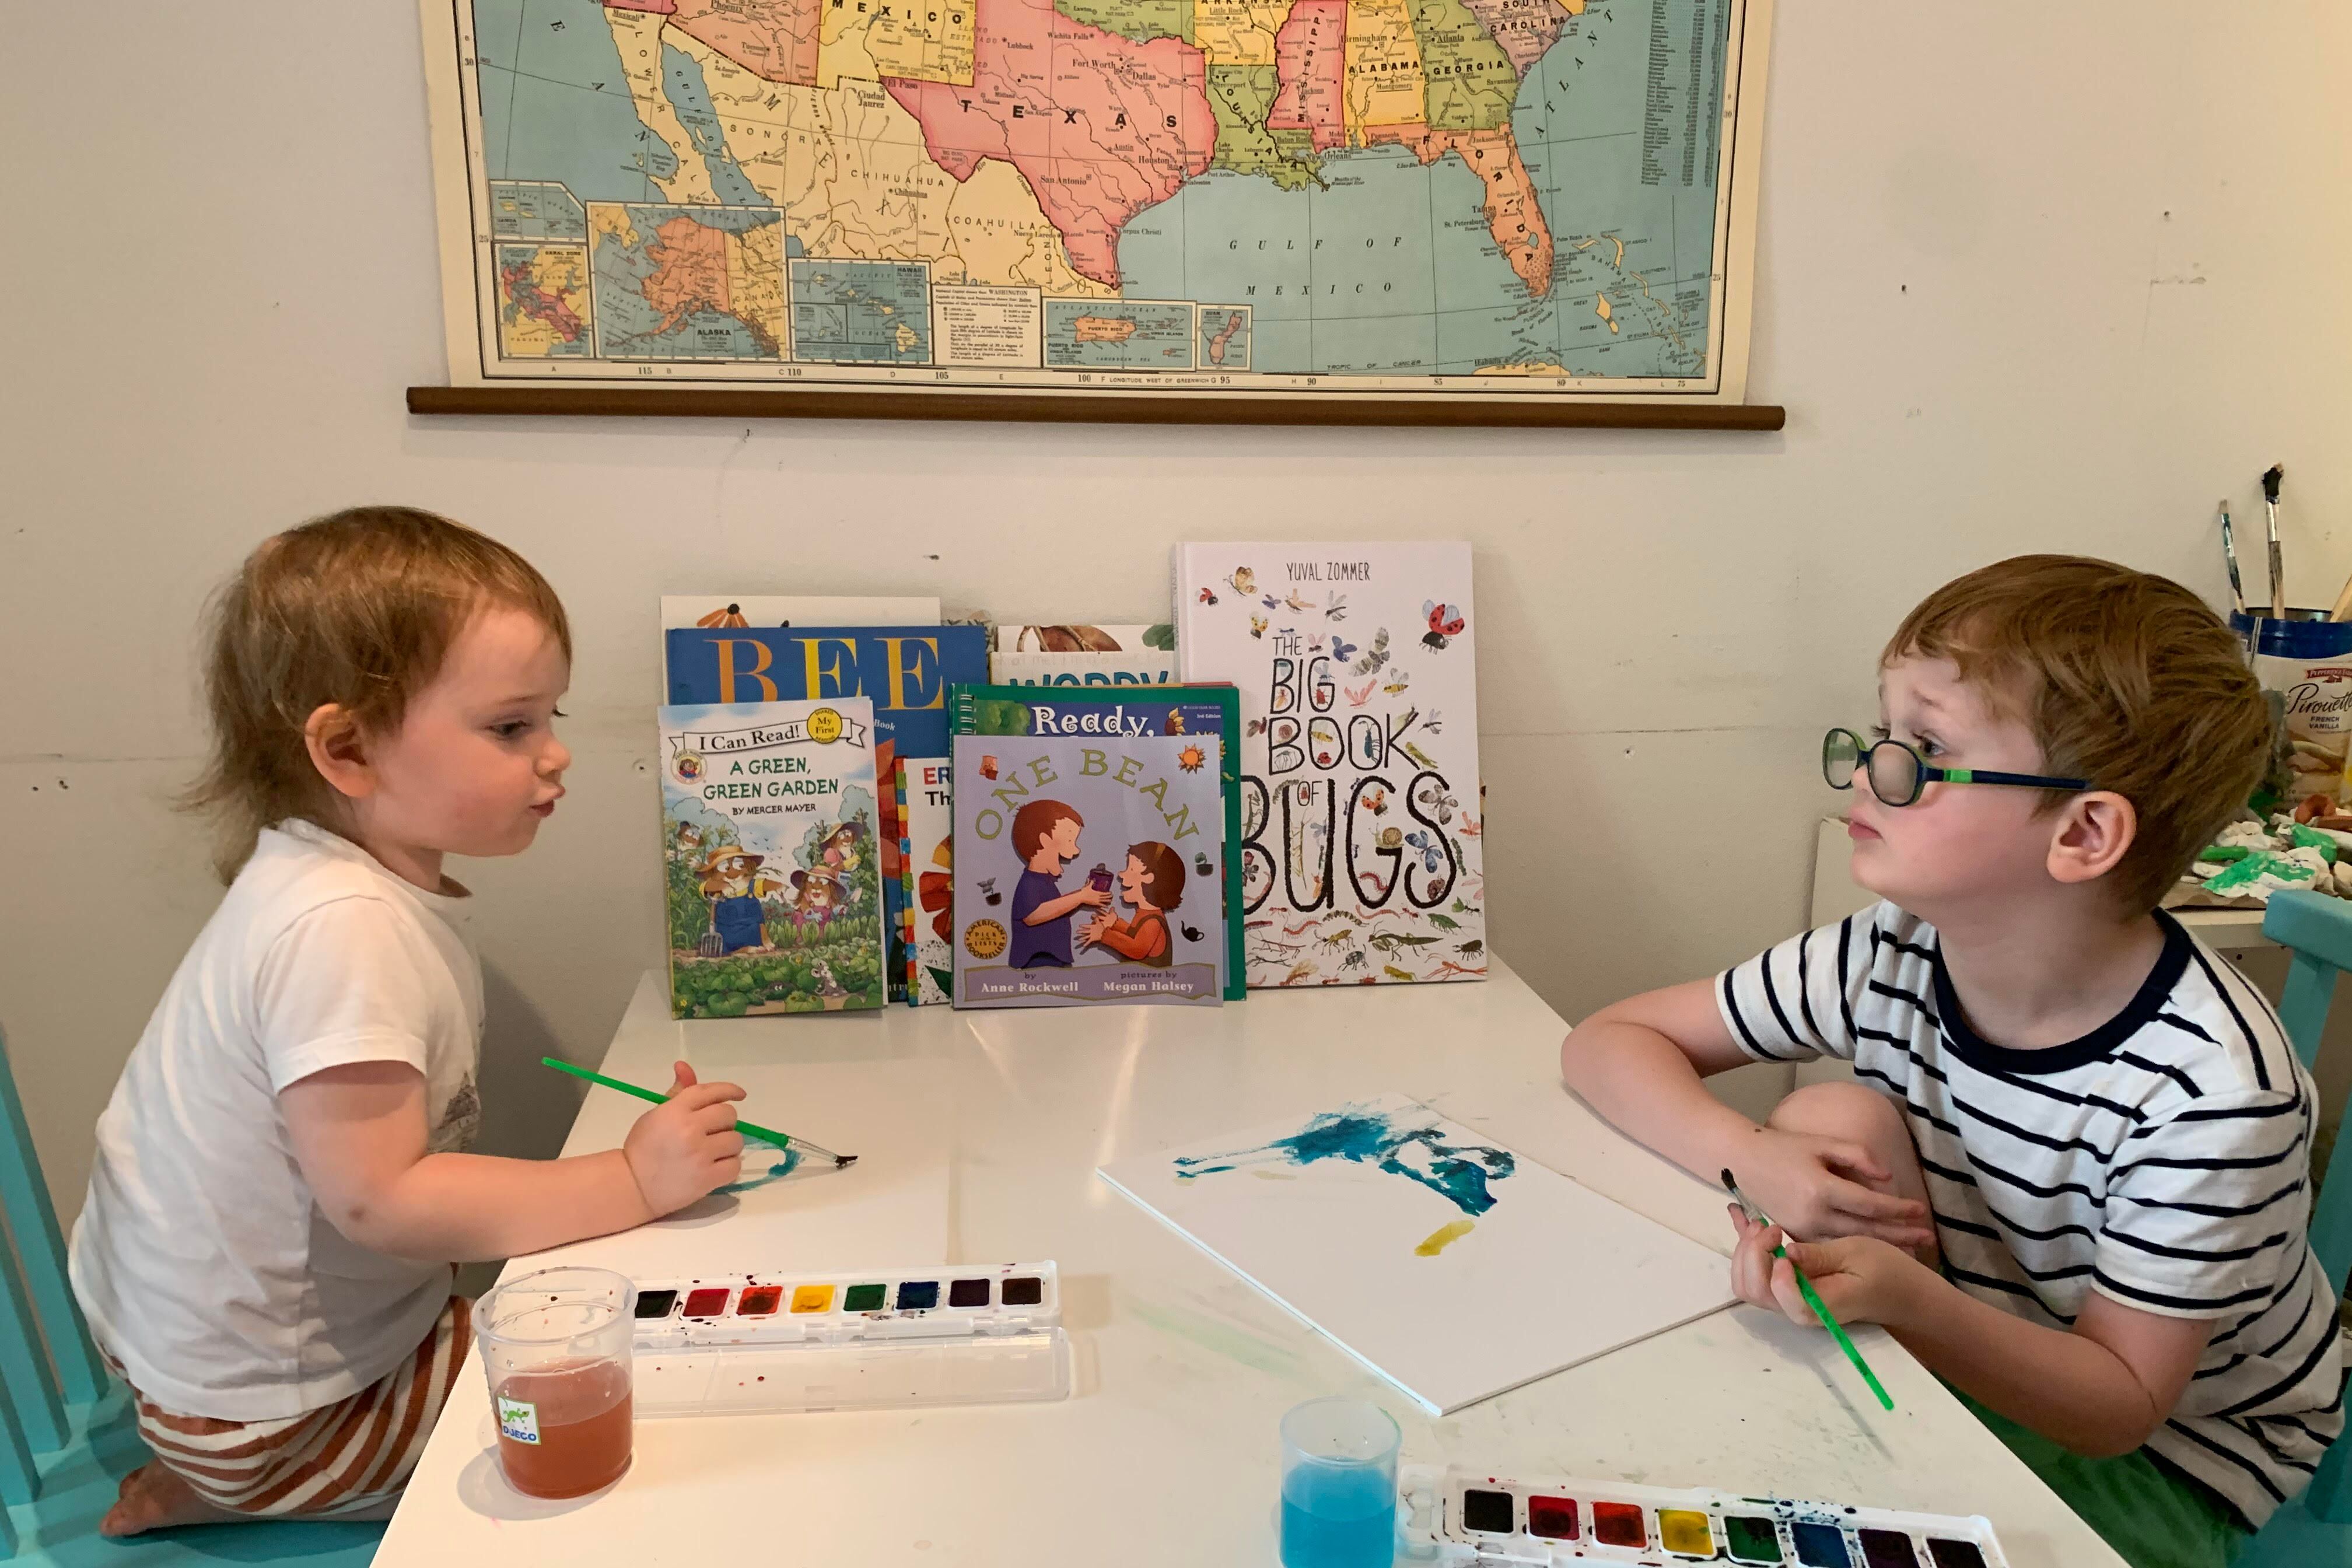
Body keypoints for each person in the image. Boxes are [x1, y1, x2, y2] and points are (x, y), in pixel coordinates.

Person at [1560, 556, 2339, 1568]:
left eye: (1923, 749)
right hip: (1976, 1331)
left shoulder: (2212, 1093)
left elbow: (2119, 1405)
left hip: (2174, 1456)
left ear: (2083, 831)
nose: (1866, 772)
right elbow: (1606, 1042)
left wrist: (1910, 1299)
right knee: (1823, 1130)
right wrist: (1749, 1155)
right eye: (1881, 732)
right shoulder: (1893, 945)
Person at [69, 508, 750, 1535]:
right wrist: (629, 1180)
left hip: (220, 1372)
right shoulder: (342, 928)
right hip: (280, 1413)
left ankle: (208, 1480)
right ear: (347, 748)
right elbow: (385, 1201)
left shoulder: (330, 881)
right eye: (512, 726)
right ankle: (245, 1486)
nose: (556, 755)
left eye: (549, 718)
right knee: (663, 1407)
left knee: (599, 1323)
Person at [1006, 799, 1109, 968]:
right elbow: (1033, 916)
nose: (1076, 850)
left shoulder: (1043, 882)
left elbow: (1053, 908)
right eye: (1070, 841)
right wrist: (1080, 897)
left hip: (1053, 958)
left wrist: (1082, 895)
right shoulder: (1030, 883)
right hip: (1038, 960)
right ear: (1045, 840)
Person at [1080, 841, 1186, 967]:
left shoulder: (1153, 922)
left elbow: (1137, 950)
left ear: (1149, 878)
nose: (1121, 874)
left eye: (1131, 869)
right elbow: (1134, 933)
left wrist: (1104, 935)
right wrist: (1115, 924)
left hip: (1150, 983)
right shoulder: (1145, 914)